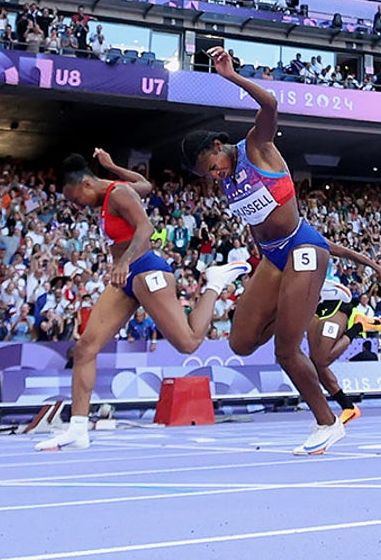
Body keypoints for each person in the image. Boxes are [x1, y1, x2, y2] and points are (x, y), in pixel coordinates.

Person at [181, 47, 345, 455]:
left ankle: (327, 423)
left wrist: (230, 76)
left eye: (214, 164)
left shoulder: (256, 146)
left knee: (286, 350)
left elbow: (270, 103)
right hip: (273, 258)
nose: (216, 174)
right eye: (209, 176)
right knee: (240, 342)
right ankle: (303, 299)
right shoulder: (223, 179)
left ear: (220, 144)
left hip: (302, 247)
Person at [37, 150, 249, 450]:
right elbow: (146, 186)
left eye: (74, 199)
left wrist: (123, 261)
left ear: (85, 184)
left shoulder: (118, 194)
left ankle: (214, 284)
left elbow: (146, 228)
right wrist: (111, 165)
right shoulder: (111, 192)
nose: (76, 206)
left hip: (146, 269)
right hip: (125, 280)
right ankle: (78, 428)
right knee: (85, 347)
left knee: (187, 343)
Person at [308, 243, 381, 426]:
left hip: (334, 300)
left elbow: (350, 253)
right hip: (312, 306)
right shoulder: (275, 246)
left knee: (321, 360)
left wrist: (378, 269)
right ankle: (348, 407)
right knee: (315, 364)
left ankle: (358, 327)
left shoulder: (309, 238)